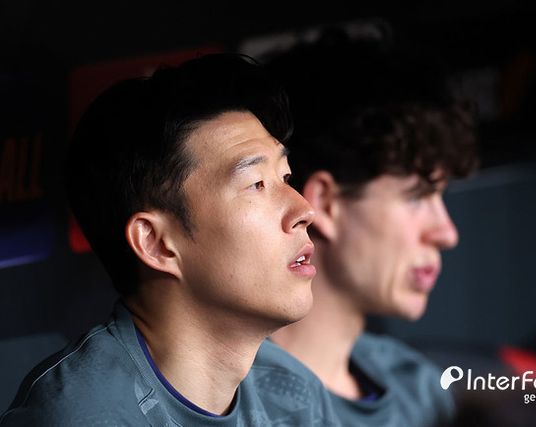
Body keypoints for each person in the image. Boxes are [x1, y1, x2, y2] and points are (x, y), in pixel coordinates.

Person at [1, 54, 338, 425]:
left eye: (285, 178)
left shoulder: (294, 395)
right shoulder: (80, 417)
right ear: (156, 244)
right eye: (256, 184)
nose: (304, 209)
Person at [266, 38, 477, 426]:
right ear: (326, 204)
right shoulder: (232, 405)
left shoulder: (420, 389)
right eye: (417, 196)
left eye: (440, 196)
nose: (447, 233)